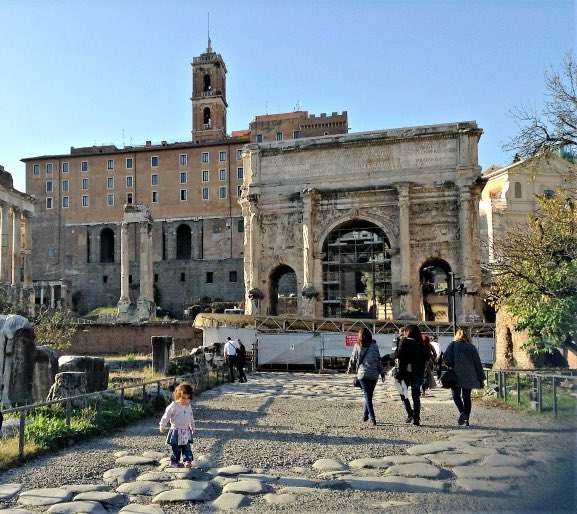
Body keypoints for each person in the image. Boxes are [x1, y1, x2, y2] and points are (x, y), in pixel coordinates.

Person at [443, 328, 485, 426]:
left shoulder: (452, 345)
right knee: (466, 397)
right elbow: (477, 364)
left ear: (457, 335)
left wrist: (450, 364)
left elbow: (445, 357)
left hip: (455, 374)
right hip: (469, 375)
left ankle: (463, 412)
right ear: (468, 335)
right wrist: (481, 379)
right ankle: (466, 418)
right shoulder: (472, 347)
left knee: (455, 396)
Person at [347, 327, 385, 426]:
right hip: (374, 375)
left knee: (367, 396)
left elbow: (353, 359)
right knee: (368, 395)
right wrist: (382, 373)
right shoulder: (374, 346)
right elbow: (378, 360)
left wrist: (349, 369)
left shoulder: (357, 346)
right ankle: (365, 415)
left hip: (363, 373)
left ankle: (372, 418)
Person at [396, 324, 428, 426]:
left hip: (406, 372)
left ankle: (410, 412)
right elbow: (426, 358)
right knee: (416, 396)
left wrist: (385, 358)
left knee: (403, 393)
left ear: (408, 332)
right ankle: (417, 419)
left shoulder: (404, 341)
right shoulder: (421, 343)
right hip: (418, 372)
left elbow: (399, 354)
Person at [159, 382, 195, 468]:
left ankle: (187, 461)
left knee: (187, 447)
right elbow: (166, 416)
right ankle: (174, 461)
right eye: (183, 398)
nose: (185, 400)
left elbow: (191, 417)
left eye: (188, 398)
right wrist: (162, 425)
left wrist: (192, 426)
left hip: (186, 431)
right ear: (178, 396)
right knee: (176, 448)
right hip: (176, 431)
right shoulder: (173, 406)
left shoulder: (188, 406)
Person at [391, 327, 414, 423]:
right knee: (405, 392)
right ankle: (411, 412)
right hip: (409, 370)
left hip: (400, 370)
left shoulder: (400, 341)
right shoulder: (411, 342)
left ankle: (410, 412)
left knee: (403, 393)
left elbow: (395, 353)